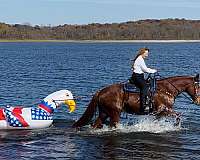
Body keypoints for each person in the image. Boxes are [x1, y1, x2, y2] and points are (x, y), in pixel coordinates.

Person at [131, 47, 157, 114]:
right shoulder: (140, 59)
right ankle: (143, 105)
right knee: (145, 87)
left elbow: (144, 68)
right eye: (146, 53)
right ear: (142, 53)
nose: (147, 55)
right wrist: (153, 71)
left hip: (139, 76)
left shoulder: (140, 58)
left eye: (147, 54)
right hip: (137, 77)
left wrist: (151, 70)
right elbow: (145, 69)